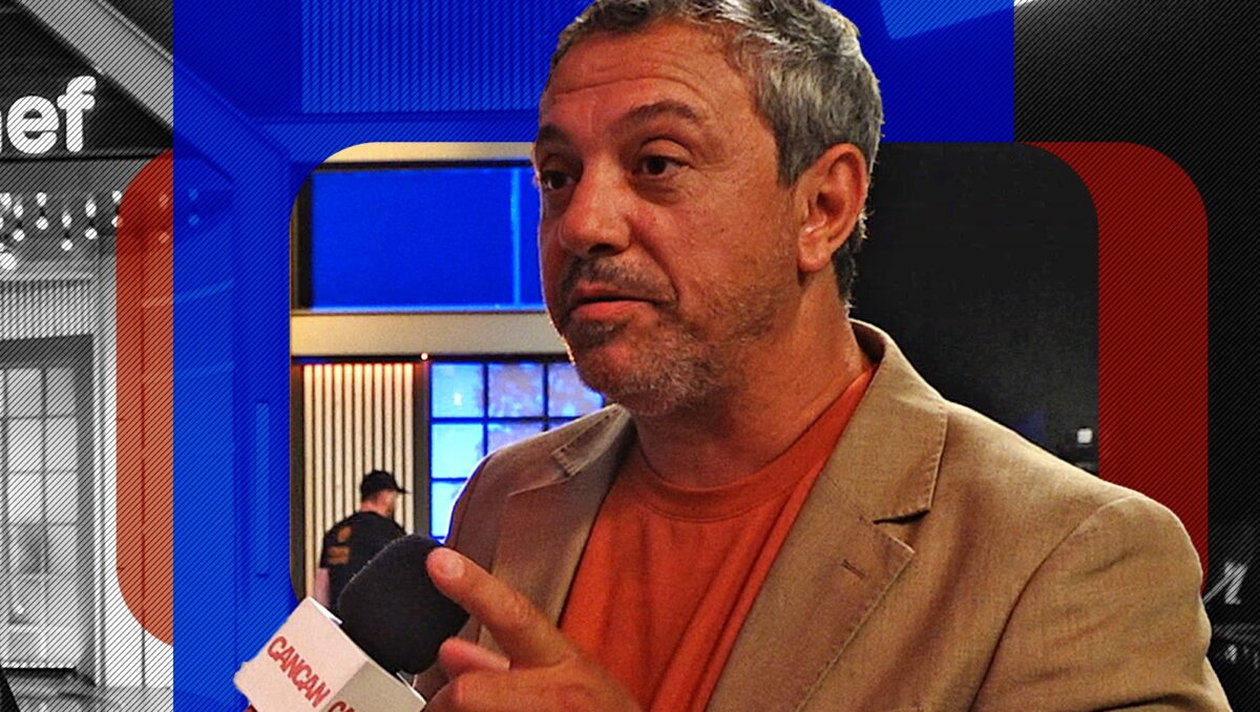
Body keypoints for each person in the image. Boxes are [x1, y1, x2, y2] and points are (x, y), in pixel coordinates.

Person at [416, 1, 1231, 710]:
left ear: (823, 206)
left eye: (657, 163)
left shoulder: (1071, 555)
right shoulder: (506, 496)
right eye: (558, 175)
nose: (582, 223)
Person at [313, 469, 407, 615]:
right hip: (375, 620)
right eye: (393, 496)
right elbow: (402, 581)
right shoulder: (390, 532)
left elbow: (321, 586)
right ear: (385, 495)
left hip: (340, 621)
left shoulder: (336, 533)